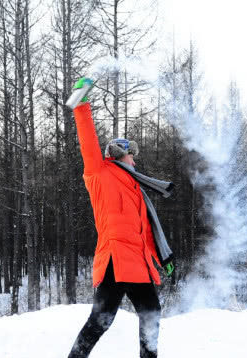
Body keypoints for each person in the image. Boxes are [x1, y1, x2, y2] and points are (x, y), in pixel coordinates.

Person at [67, 78, 175, 358]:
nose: (135, 162)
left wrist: (163, 258)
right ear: (118, 156)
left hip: (138, 262)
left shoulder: (136, 190)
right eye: (131, 157)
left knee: (152, 313)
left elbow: (144, 231)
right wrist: (82, 104)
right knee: (101, 319)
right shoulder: (99, 174)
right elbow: (88, 140)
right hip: (115, 259)